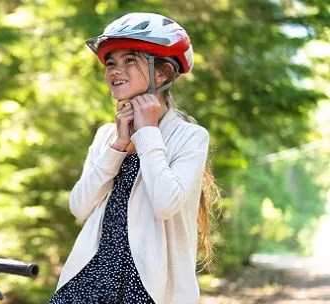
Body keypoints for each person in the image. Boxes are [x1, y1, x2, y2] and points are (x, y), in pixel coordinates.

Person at [48, 12, 220, 304]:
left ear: (162, 73)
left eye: (130, 60)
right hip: (92, 276)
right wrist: (117, 144)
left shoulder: (191, 136)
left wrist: (148, 132)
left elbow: (166, 204)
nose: (116, 70)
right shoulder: (107, 134)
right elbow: (79, 206)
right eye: (111, 63)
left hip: (149, 286)